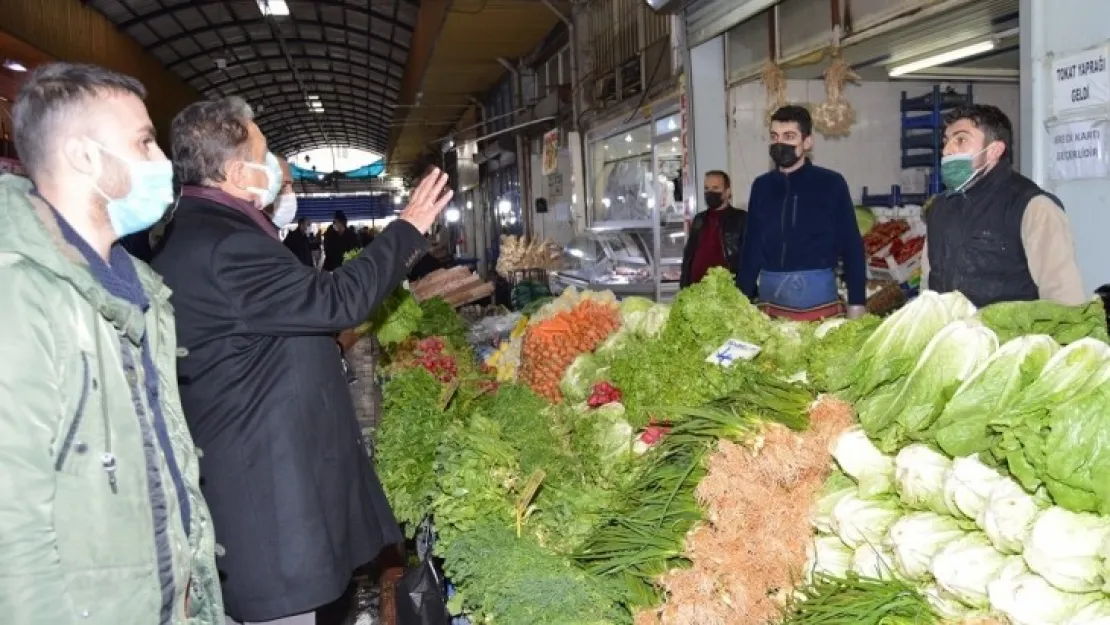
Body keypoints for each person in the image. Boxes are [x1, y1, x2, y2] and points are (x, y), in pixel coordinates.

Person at [150, 96, 453, 625]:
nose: (275, 170)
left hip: (269, 470)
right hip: (266, 500)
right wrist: (406, 229)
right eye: (265, 155)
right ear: (236, 171)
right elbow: (338, 300)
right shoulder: (225, 245)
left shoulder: (214, 230)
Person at [0, 62, 223, 625]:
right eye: (144, 143)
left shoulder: (137, 289)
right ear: (84, 157)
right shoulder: (19, 293)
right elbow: (12, 527)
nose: (163, 164)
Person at [923, 104, 1085, 307]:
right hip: (949, 336)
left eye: (961, 140)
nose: (947, 150)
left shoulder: (1033, 207)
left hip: (1011, 337)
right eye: (946, 142)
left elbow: (1064, 298)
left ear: (994, 151)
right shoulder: (939, 208)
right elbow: (928, 285)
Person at [736, 105, 867, 320]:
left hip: (818, 296)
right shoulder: (761, 186)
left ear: (807, 142)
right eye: (775, 136)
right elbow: (751, 247)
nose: (780, 144)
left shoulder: (831, 183)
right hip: (770, 298)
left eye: (789, 136)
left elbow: (852, 245)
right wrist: (740, 299)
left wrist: (857, 302)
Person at [679, 170, 747, 287]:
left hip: (727, 291)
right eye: (706, 188)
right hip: (696, 291)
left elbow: (749, 258)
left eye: (715, 188)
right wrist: (684, 284)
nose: (710, 192)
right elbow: (689, 255)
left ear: (727, 192)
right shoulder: (699, 219)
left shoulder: (742, 219)